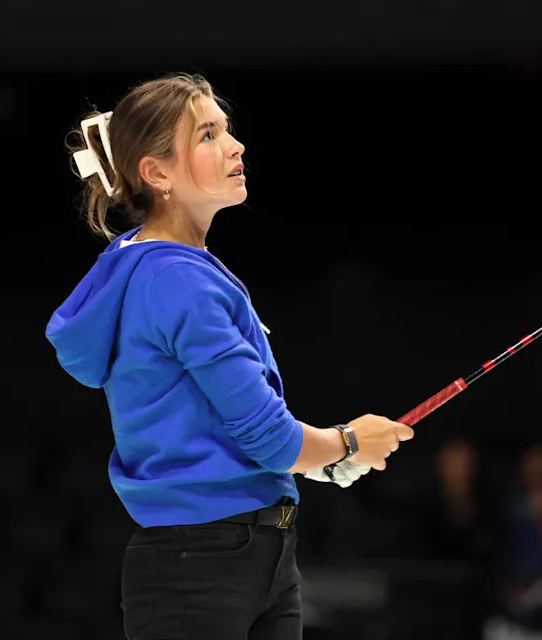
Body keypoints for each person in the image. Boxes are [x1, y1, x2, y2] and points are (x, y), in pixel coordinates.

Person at [45, 71, 415, 640]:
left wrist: (327, 461)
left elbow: (234, 433)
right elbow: (270, 439)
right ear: (157, 171)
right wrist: (346, 442)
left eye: (227, 129)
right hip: (200, 563)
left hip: (256, 553)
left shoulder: (166, 267)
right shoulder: (175, 280)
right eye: (209, 134)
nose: (235, 145)